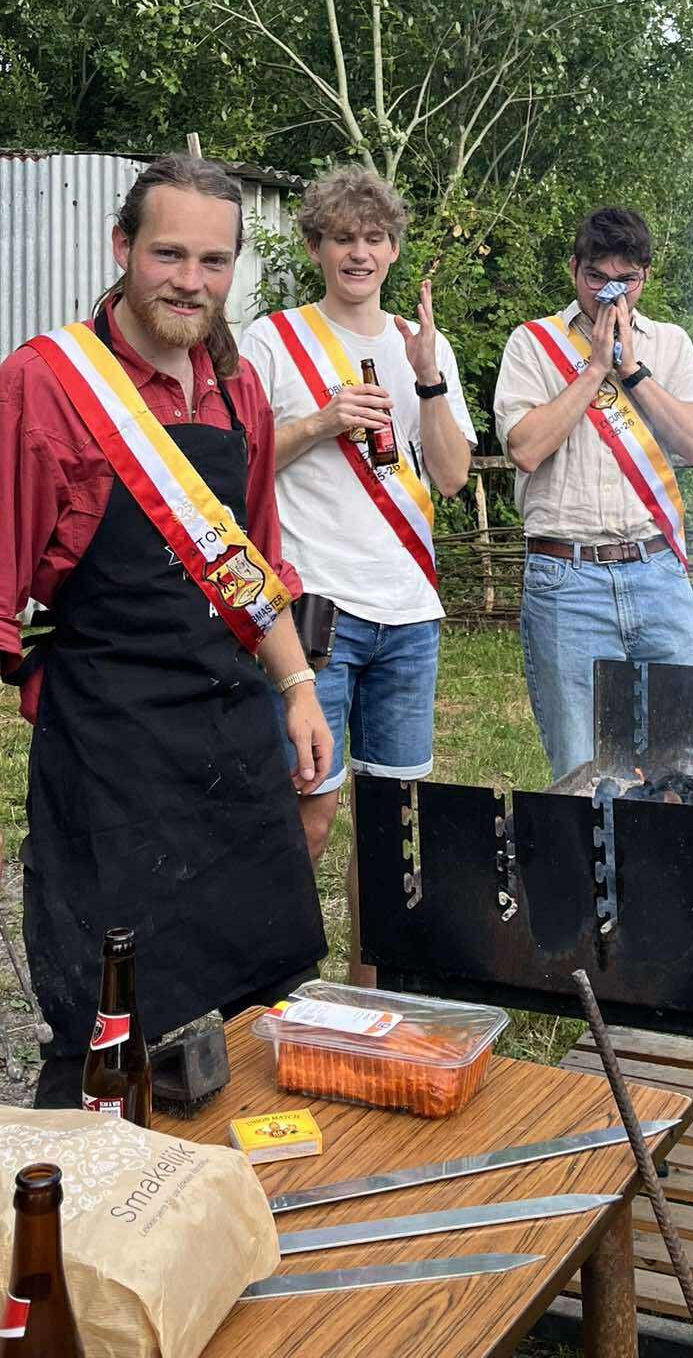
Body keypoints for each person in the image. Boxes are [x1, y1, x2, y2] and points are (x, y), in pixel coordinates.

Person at [0, 153, 330, 1107]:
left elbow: (253, 569)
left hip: (232, 741)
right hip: (108, 749)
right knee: (104, 1031)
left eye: (215, 261)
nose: (192, 281)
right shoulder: (43, 386)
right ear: (122, 247)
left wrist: (298, 687)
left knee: (263, 1005)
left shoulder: (238, 392)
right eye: (169, 254)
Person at [239, 169, 474, 976]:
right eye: (343, 238)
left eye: (374, 238)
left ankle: (365, 997)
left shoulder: (422, 345)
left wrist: (429, 378)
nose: (360, 253)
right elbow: (236, 465)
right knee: (310, 812)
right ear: (315, 247)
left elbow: (451, 477)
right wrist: (321, 422)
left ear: (394, 249)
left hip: (409, 612)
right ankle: (274, 988)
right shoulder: (274, 340)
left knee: (390, 824)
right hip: (315, 613)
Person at [494, 204, 693, 779]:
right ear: (574, 269)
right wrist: (595, 368)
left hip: (657, 570)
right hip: (565, 579)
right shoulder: (533, 344)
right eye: (596, 277)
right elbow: (525, 448)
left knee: (692, 757)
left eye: (625, 280)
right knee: (584, 772)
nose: (609, 295)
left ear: (645, 276)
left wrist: (634, 373)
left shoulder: (670, 343)